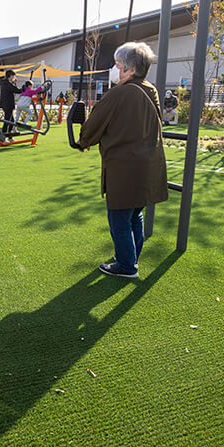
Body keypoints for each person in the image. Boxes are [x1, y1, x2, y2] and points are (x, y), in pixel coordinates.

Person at [77, 42, 168, 279]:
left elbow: (94, 124)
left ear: (131, 70)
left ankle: (127, 265)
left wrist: (84, 141)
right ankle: (131, 256)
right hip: (148, 165)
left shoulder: (119, 93)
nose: (115, 71)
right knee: (135, 213)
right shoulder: (151, 90)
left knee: (118, 217)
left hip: (125, 167)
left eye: (118, 67)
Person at [0, 69, 24, 136]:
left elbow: (14, 89)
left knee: (11, 120)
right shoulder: (7, 83)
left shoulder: (6, 82)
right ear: (10, 76)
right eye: (13, 76)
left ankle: (9, 135)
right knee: (8, 120)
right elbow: (16, 90)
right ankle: (4, 134)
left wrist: (15, 83)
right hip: (7, 104)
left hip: (6, 104)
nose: (14, 77)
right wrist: (24, 88)